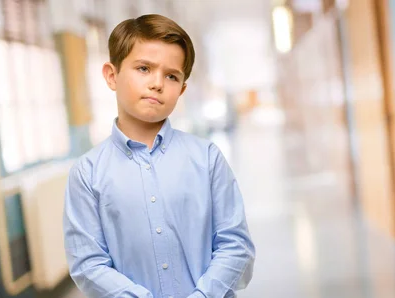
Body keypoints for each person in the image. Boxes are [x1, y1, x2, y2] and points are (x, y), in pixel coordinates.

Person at [63, 14, 255, 298]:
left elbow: (235, 245)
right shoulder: (88, 172)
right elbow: (88, 263)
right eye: (143, 68)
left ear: (182, 89)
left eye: (171, 76)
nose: (157, 83)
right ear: (111, 75)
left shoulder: (207, 159)